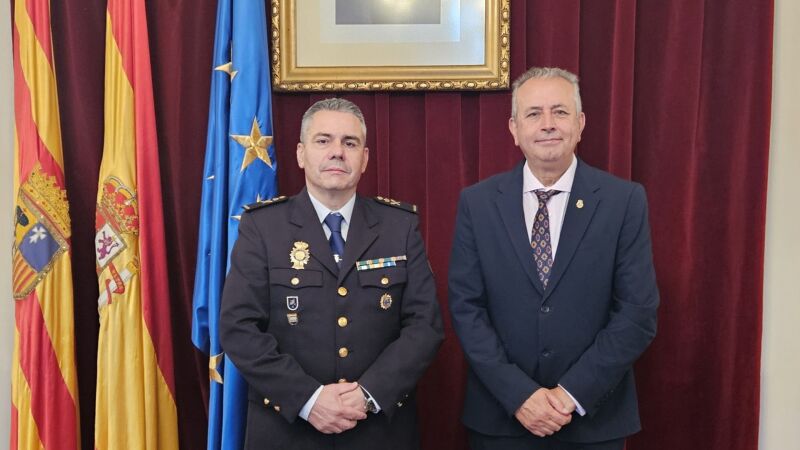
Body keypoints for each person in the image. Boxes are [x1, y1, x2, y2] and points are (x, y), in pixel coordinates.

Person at [448, 67, 659, 450]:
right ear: (514, 129)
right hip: (501, 420)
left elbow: (637, 313)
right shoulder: (477, 204)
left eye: (560, 112)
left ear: (580, 124)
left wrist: (570, 395)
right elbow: (466, 309)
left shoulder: (623, 201)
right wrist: (519, 396)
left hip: (592, 421)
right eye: (534, 114)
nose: (548, 124)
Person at [220, 98, 443, 449]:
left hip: (378, 432)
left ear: (364, 159)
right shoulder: (262, 227)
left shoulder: (399, 227)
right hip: (288, 431)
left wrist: (368, 395)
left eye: (349, 143)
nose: (337, 152)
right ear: (301, 154)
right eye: (323, 140)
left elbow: (425, 326)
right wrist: (308, 400)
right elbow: (238, 327)